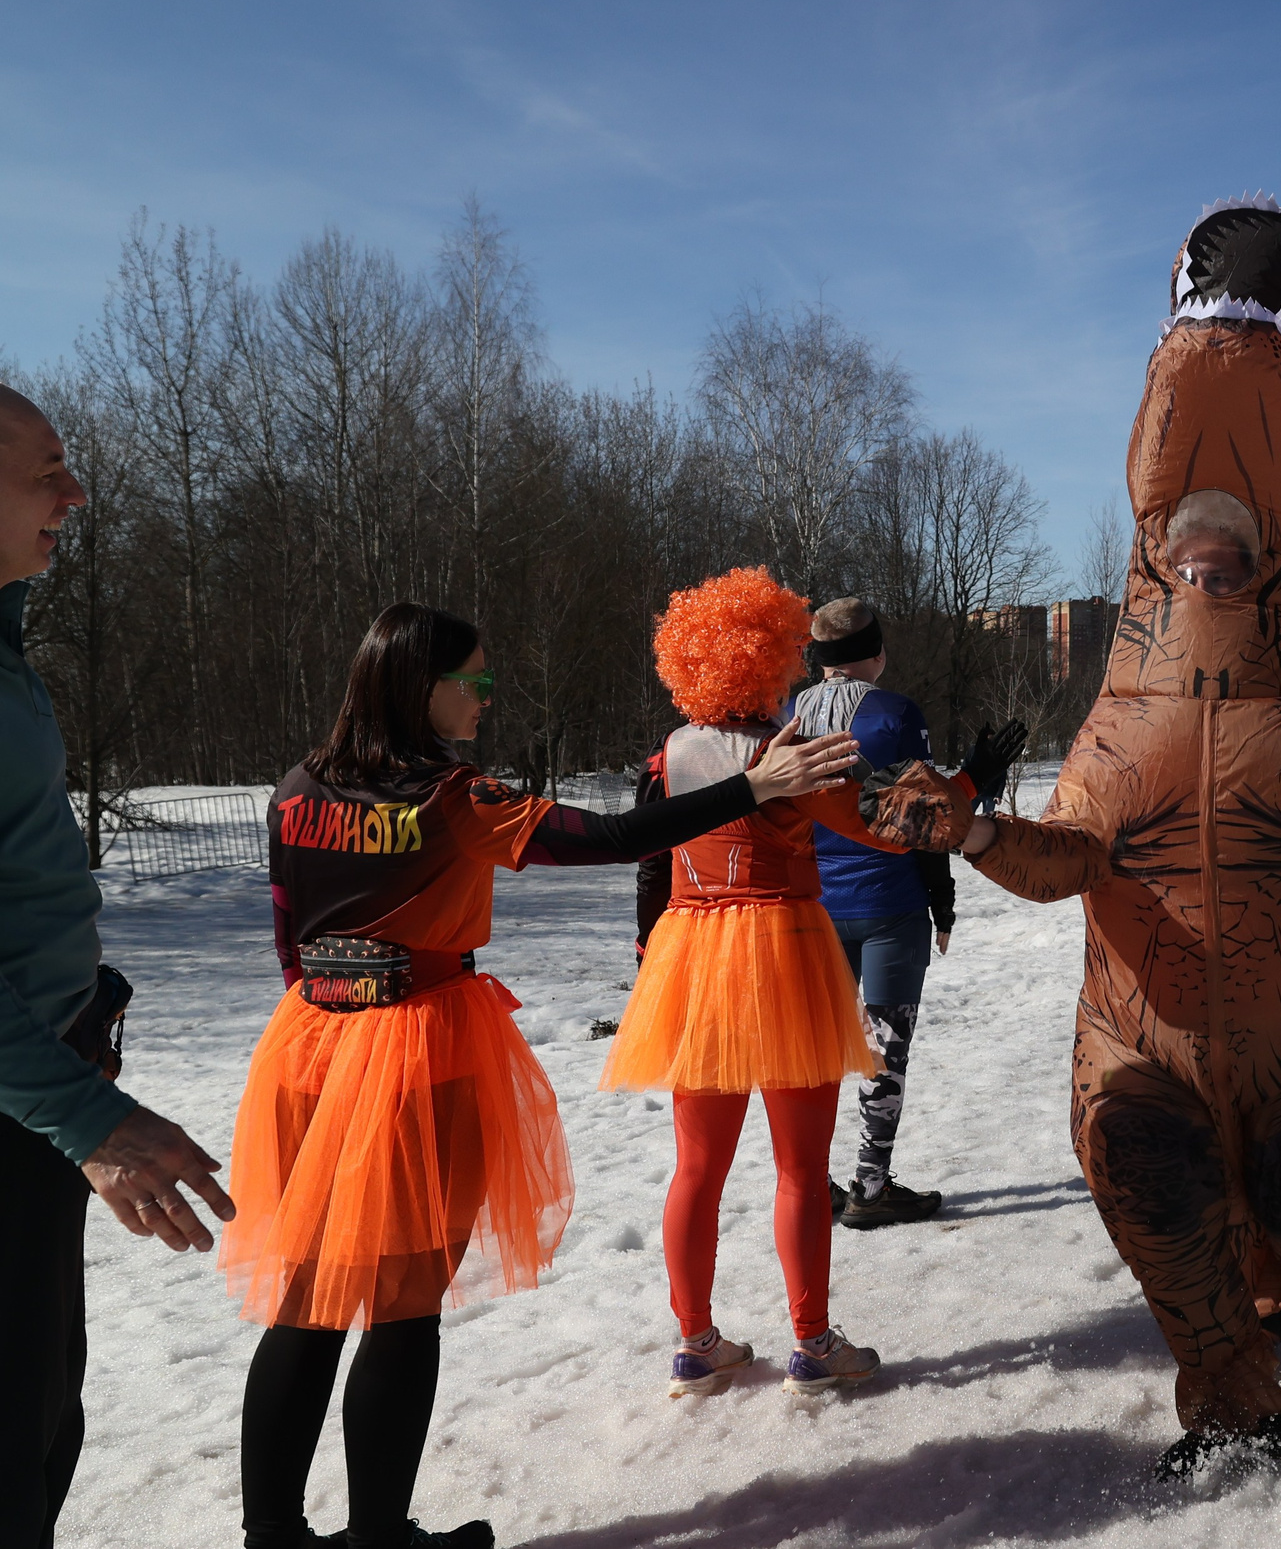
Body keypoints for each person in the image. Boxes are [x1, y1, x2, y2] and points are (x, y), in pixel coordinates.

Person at [871, 198, 1281, 1479]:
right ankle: (1233, 1401)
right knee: (1154, 1182)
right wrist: (974, 830)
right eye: (1188, 547)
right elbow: (1068, 860)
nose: (1208, 555)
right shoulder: (1121, 721)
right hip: (1151, 1038)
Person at [233, 599, 858, 1549]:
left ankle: (271, 1534)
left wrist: (331, 1005)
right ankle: (378, 1536)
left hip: (306, 1045)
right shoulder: (449, 797)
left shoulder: (294, 786)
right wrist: (750, 787)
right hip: (414, 1051)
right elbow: (609, 838)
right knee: (402, 1310)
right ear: (420, 685)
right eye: (474, 681)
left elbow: (287, 929)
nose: (487, 697)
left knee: (305, 1301)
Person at [608, 568, 957, 1400]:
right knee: (801, 1169)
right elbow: (888, 829)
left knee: (697, 1166)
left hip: (690, 958)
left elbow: (653, 860)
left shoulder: (671, 752)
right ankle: (812, 1340)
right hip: (783, 949)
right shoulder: (780, 753)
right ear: (767, 661)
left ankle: (695, 1342)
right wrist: (965, 783)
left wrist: (642, 941)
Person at [0, 385, 237, 1549]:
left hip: (40, 1100)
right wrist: (83, 1117)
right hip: (26, 1105)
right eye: (45, 469)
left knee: (44, 1425)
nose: (76, 493)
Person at [792, 596, 1021, 1230]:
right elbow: (918, 819)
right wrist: (972, 782)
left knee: (813, 1055)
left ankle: (808, 1182)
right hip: (889, 906)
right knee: (884, 1054)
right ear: (877, 653)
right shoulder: (896, 716)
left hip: (809, 909)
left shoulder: (783, 717)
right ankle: (870, 1186)